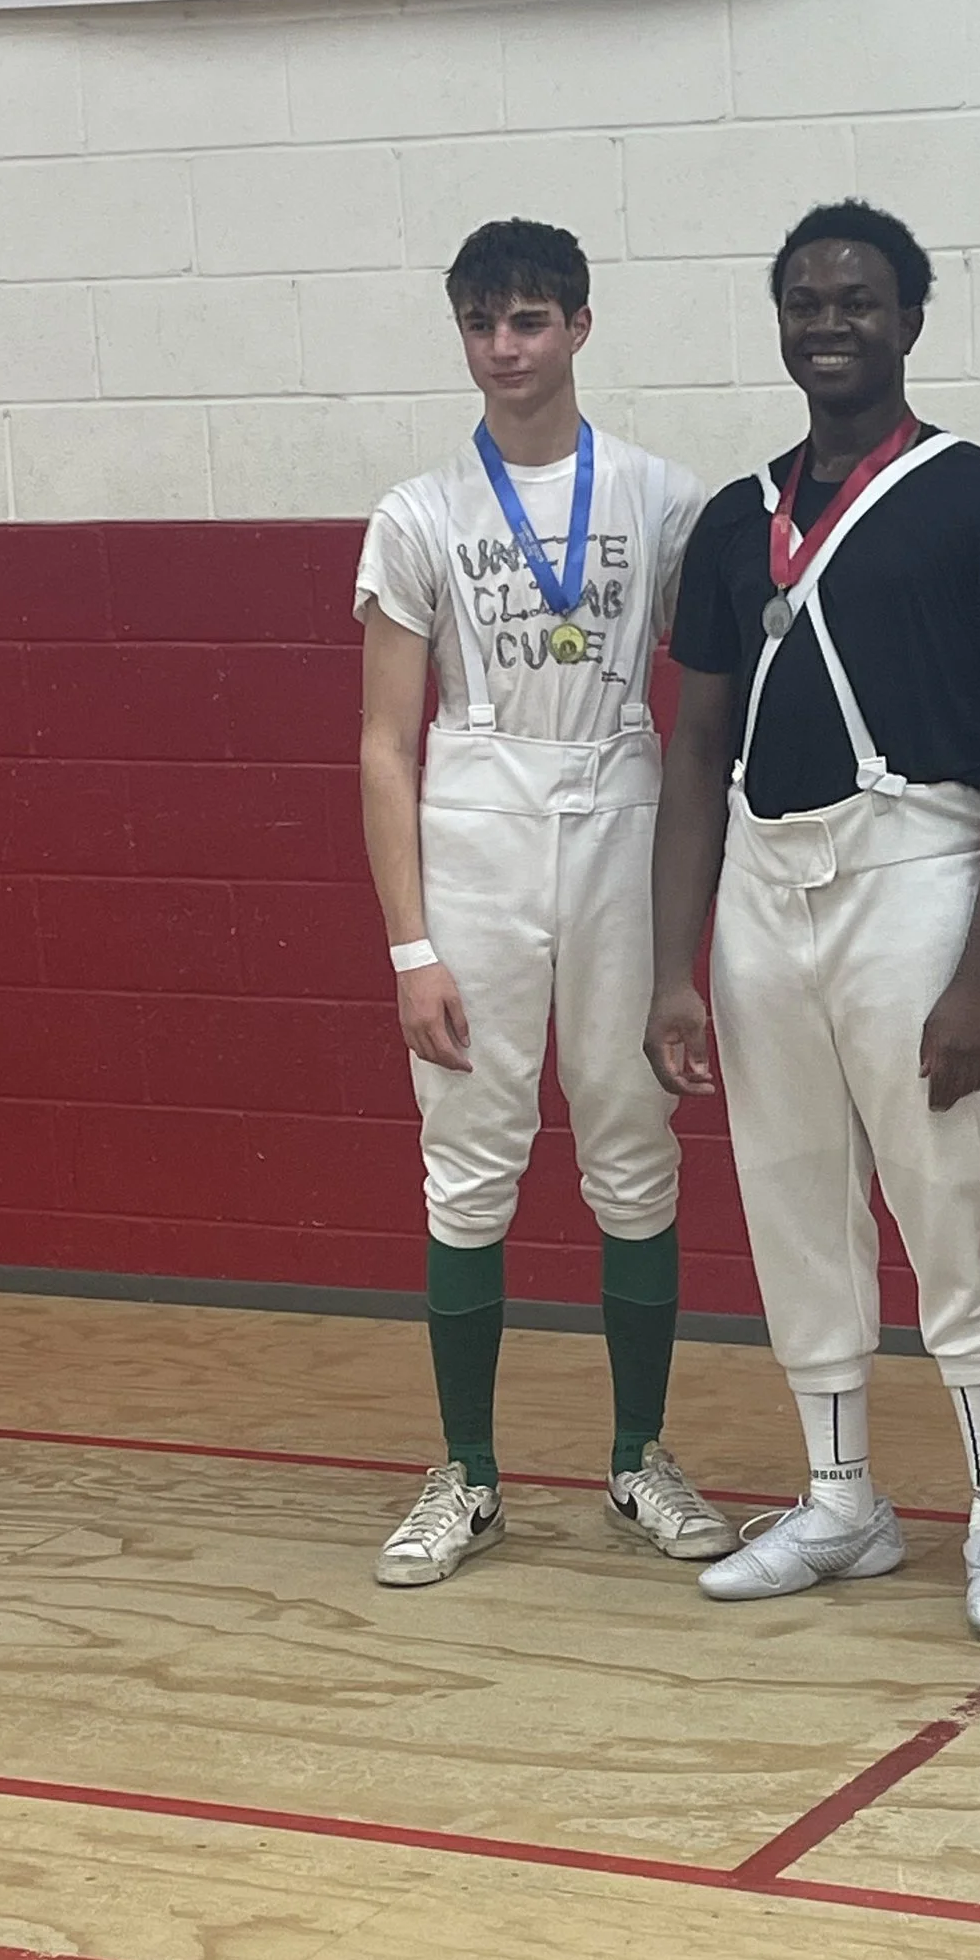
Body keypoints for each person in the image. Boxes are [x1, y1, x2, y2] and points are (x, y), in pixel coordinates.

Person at [646, 199, 980, 1639]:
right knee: (790, 1193)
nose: (830, 323)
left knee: (951, 1193)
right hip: (767, 879)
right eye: (807, 302)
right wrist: (674, 967)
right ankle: (843, 1505)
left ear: (910, 318)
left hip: (918, 865)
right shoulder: (731, 516)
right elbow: (696, 748)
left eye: (859, 300)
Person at [356, 217, 734, 1584]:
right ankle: (466, 1473)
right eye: (481, 324)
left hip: (622, 814)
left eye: (529, 321)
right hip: (477, 828)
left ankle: (638, 1457)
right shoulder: (417, 516)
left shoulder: (661, 497)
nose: (504, 349)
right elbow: (385, 743)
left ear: (580, 325)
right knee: (470, 1158)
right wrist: (411, 944)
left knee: (634, 1142)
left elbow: (720, 696)